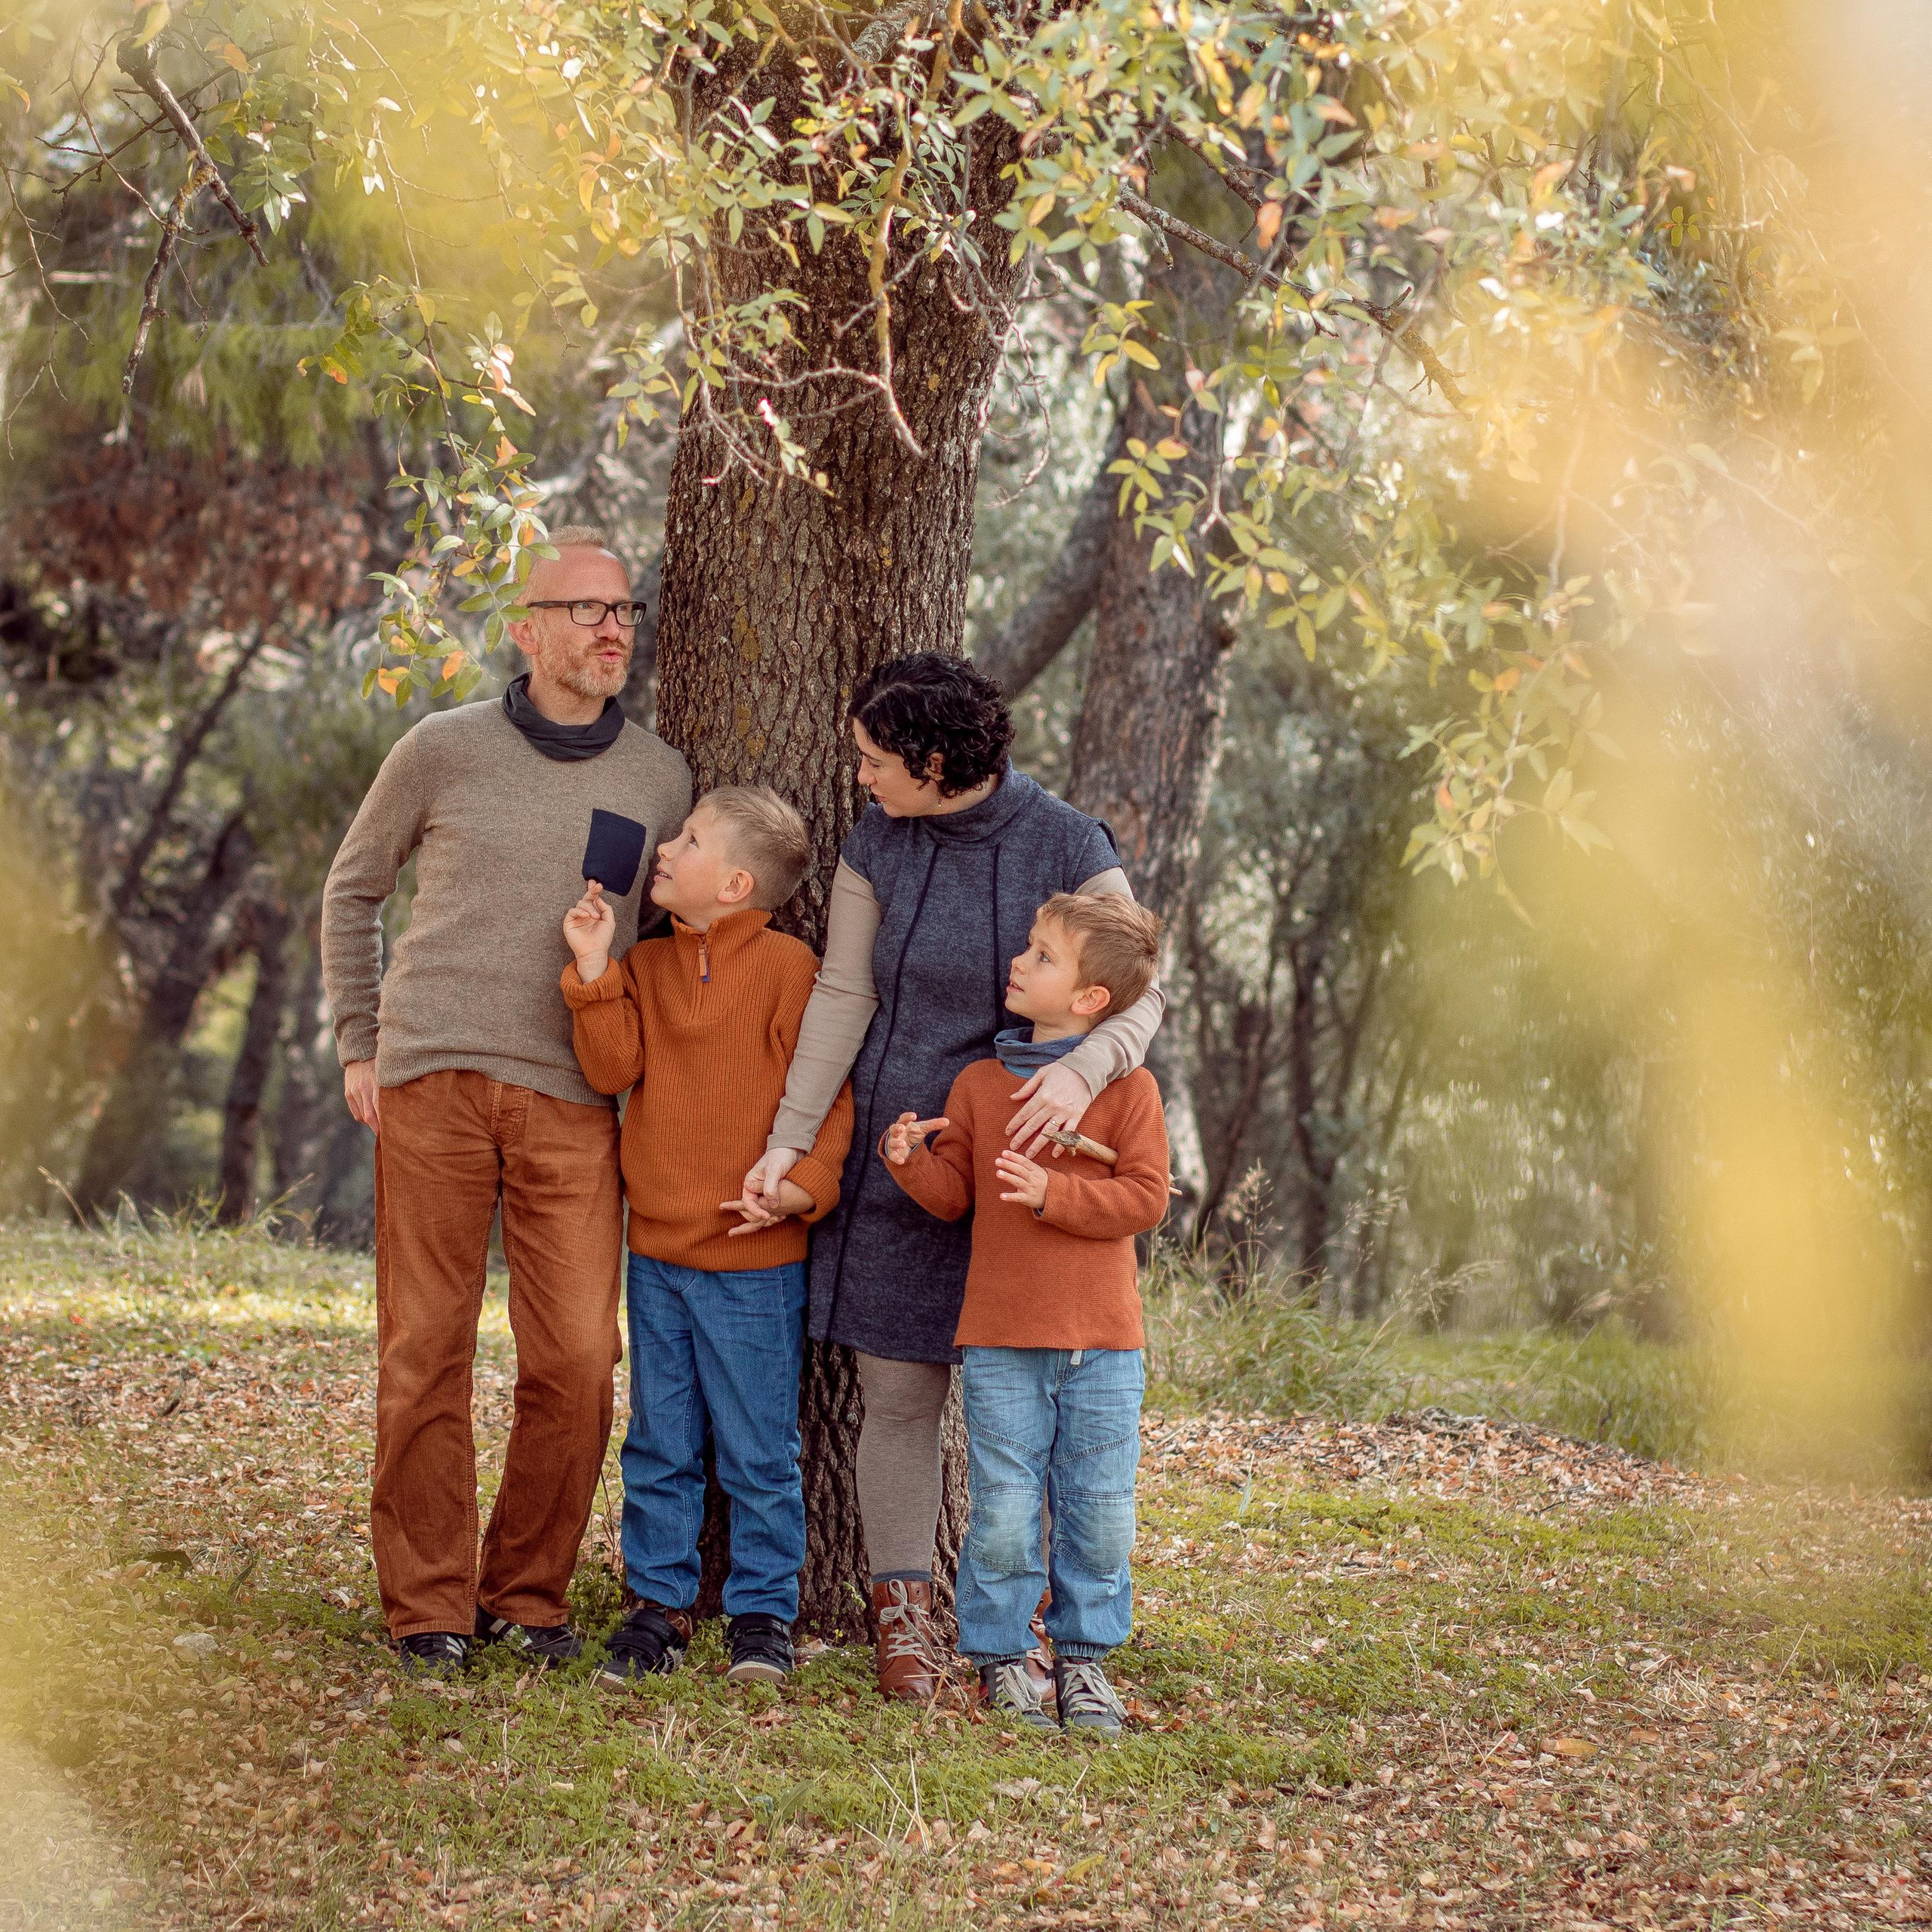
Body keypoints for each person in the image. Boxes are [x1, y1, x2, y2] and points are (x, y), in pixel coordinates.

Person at [736, 654, 1167, 1701]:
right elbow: (844, 994)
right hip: (907, 1154)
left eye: (875, 760)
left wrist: (1080, 1071)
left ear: (934, 762)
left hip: (1027, 1163)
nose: (860, 777)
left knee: (1032, 1423)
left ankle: (1044, 1639)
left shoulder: (1068, 842)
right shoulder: (876, 839)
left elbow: (1143, 990)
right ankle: (902, 1617)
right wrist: (791, 1138)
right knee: (897, 1393)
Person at [320, 527, 691, 1676]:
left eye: (623, 610)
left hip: (572, 1098)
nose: (613, 629)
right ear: (528, 630)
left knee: (578, 1356)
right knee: (423, 1347)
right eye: (587, 610)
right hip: (430, 1079)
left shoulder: (661, 778)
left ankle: (525, 1595)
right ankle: (427, 1604)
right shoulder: (440, 748)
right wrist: (360, 1041)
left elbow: (659, 948)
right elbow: (353, 888)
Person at [560, 787, 854, 1686]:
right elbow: (612, 1067)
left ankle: (763, 1613)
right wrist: (593, 966)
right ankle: (659, 1606)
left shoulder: (789, 968)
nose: (665, 847)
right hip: (656, 1255)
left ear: (733, 884)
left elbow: (829, 1096)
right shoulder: (645, 964)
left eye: (689, 840)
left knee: (759, 1449)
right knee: (661, 1442)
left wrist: (799, 1191)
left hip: (754, 1261)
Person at [882, 892, 1169, 1733]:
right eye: (1029, 947)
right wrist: (909, 1161)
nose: (1019, 960)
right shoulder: (979, 1085)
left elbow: (1146, 1198)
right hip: (1002, 1338)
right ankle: (1003, 1658)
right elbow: (955, 1197)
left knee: (1100, 1511)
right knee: (1005, 1509)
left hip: (1105, 1345)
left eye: (1044, 956)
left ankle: (1084, 1661)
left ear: (1091, 998)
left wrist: (1054, 1194)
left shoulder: (1130, 1090)